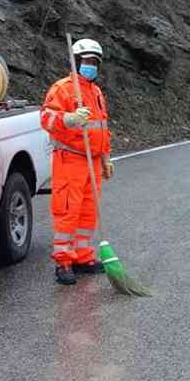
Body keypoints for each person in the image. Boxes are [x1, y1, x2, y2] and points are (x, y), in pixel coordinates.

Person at [40, 38, 115, 285]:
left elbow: (102, 127)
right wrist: (69, 119)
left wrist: (105, 157)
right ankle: (63, 261)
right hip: (70, 160)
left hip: (92, 162)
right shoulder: (62, 89)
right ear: (76, 62)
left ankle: (83, 257)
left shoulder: (95, 92)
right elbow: (46, 118)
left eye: (94, 62)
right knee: (67, 212)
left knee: (88, 213)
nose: (90, 65)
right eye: (86, 61)